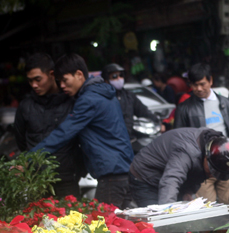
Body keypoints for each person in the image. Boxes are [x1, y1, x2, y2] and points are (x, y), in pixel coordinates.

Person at [30, 53, 134, 208]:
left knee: (105, 226)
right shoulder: (104, 93)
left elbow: (63, 133)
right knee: (125, 227)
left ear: (79, 74)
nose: (62, 86)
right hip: (123, 170)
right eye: (59, 82)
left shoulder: (88, 100)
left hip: (111, 174)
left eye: (65, 80)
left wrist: (29, 158)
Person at [14, 53, 83, 198]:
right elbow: (21, 141)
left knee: (73, 220)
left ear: (52, 74)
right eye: (30, 81)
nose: (34, 85)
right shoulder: (25, 106)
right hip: (36, 182)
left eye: (38, 79)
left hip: (66, 180)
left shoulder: (72, 102)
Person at [173, 63, 229, 205]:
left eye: (202, 84)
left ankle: (228, 228)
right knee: (206, 210)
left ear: (210, 81)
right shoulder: (184, 108)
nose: (199, 89)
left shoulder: (226, 103)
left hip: (224, 163)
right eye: (194, 85)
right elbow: (177, 141)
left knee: (228, 207)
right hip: (201, 167)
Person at [129, 128, 229, 207]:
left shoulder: (212, 145)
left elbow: (198, 175)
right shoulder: (187, 152)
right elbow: (171, 180)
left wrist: (187, 192)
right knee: (156, 224)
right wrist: (168, 213)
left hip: (167, 177)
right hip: (145, 176)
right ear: (206, 157)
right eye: (212, 171)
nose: (212, 175)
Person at [101, 63, 164, 141]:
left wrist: (158, 122)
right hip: (110, 141)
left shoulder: (129, 96)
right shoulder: (101, 98)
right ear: (106, 80)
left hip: (128, 139)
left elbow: (143, 111)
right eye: (114, 76)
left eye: (121, 75)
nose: (119, 78)